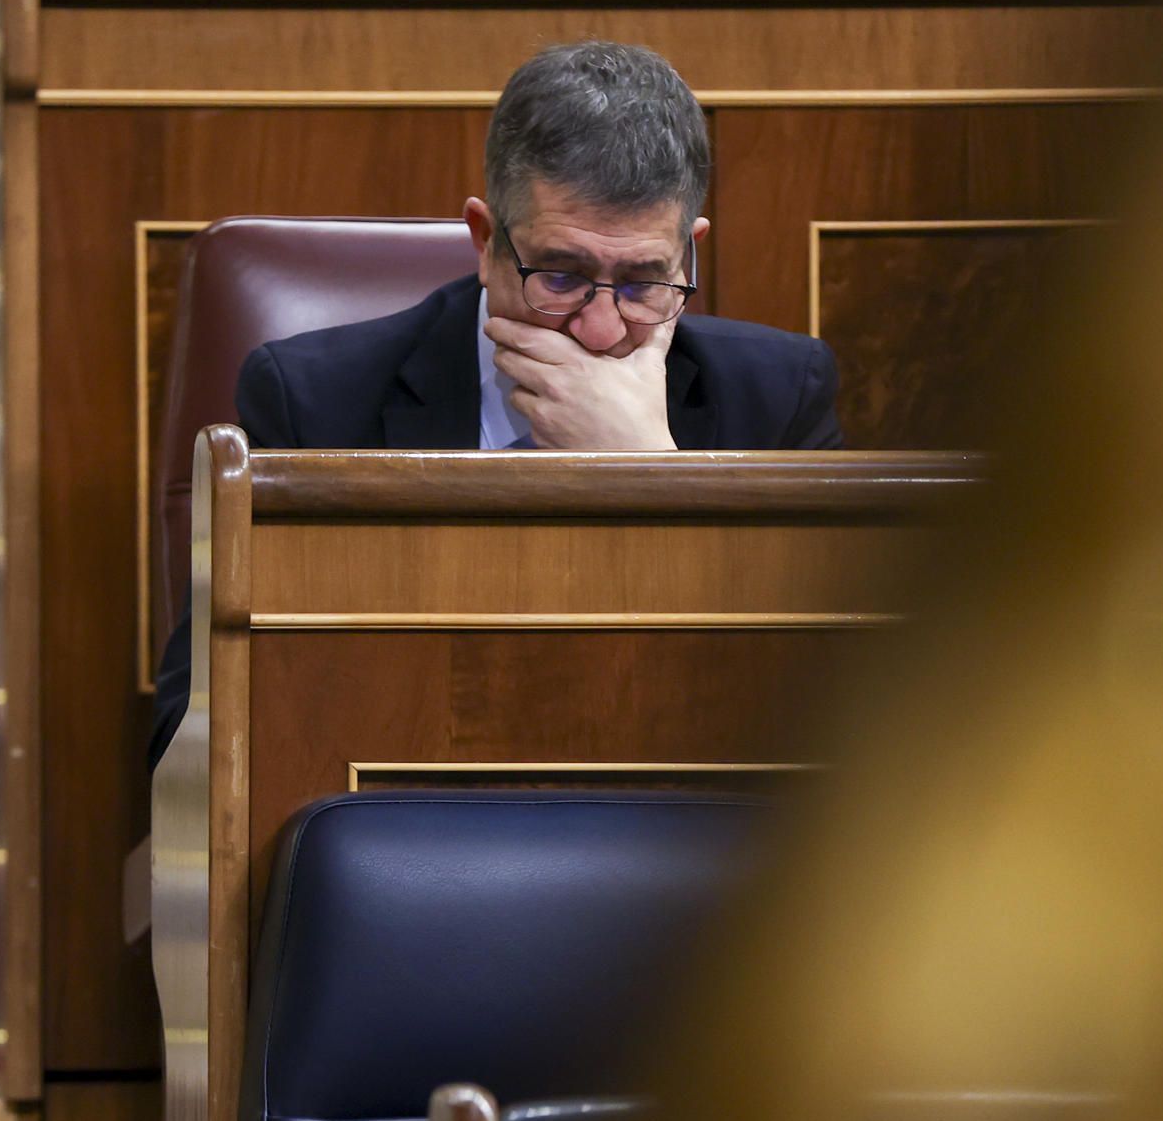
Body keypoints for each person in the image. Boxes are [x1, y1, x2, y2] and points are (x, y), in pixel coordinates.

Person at [150, 40, 844, 768]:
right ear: (485, 241)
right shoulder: (315, 402)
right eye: (562, 275)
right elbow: (189, 730)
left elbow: (830, 717)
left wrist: (650, 476)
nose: (603, 327)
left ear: (689, 251)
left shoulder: (778, 398)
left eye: (645, 282)